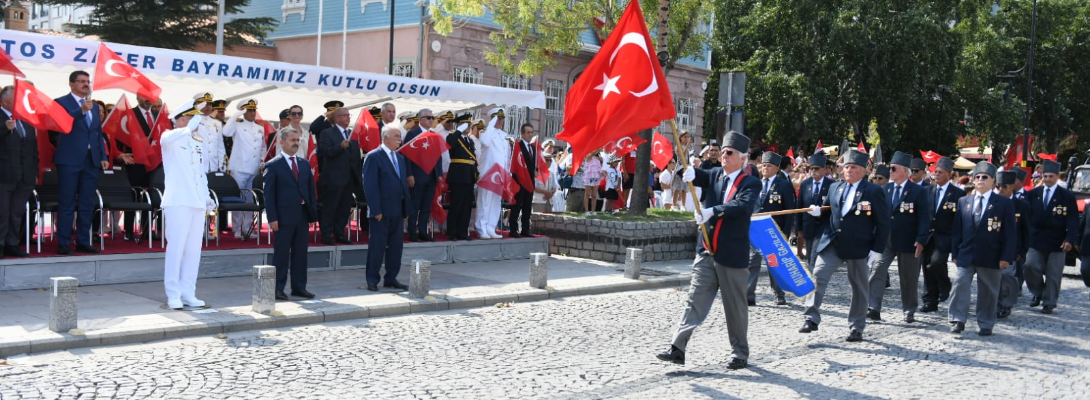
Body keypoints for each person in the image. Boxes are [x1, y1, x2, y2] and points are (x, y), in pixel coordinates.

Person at [656, 131, 759, 370]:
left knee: (735, 308)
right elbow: (697, 175)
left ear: (742, 158)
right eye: (722, 151)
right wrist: (686, 170)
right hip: (707, 250)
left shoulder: (751, 183)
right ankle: (677, 348)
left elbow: (742, 206)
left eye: (729, 152)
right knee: (695, 301)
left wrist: (713, 211)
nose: (724, 155)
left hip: (732, 254)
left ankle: (740, 352)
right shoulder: (715, 175)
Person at [800, 149, 890, 342]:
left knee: (859, 287)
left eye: (853, 167)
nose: (848, 170)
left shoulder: (873, 191)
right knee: (817, 277)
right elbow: (829, 212)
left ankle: (857, 326)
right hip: (833, 241)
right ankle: (811, 317)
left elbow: (883, 222)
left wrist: (877, 249)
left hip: (859, 245)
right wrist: (817, 213)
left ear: (864, 170)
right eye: (846, 166)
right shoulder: (835, 187)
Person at [160, 99, 215, 310]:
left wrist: (206, 196)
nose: (196, 122)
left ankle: (188, 292)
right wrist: (187, 128)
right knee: (176, 249)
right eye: (191, 117)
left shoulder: (198, 142)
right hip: (178, 201)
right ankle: (173, 294)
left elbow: (200, 173)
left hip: (196, 202)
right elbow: (172, 137)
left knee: (194, 250)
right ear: (181, 118)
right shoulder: (170, 137)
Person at [949, 162, 1016, 336]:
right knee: (959, 283)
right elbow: (957, 230)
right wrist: (955, 253)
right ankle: (957, 319)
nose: (980, 180)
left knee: (988, 290)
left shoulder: (1004, 203)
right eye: (977, 177)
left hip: (991, 255)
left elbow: (1010, 233)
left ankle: (986, 322)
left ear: (994, 181)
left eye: (984, 177)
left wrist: (1007, 256)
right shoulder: (964, 201)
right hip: (966, 253)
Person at [867, 151, 932, 323]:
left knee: (908, 278)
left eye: (894, 168)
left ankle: (909, 310)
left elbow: (925, 218)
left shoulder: (918, 191)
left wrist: (921, 239)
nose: (890, 171)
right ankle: (873, 307)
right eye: (890, 168)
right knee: (877, 270)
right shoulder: (885, 189)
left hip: (909, 241)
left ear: (905, 171)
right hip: (885, 240)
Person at [50, 71, 108, 255]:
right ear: (71, 84)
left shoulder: (93, 106)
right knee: (67, 203)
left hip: (91, 161)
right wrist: (80, 111)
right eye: (81, 81)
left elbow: (97, 133)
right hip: (70, 160)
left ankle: (84, 240)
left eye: (87, 81)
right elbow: (61, 125)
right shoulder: (60, 102)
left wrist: (103, 156)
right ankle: (64, 243)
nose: (86, 84)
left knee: (86, 203)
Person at [265, 128, 318, 301]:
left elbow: (310, 191)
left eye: (298, 140)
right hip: (282, 218)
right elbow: (269, 194)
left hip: (301, 216)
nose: (296, 143)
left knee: (300, 253)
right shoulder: (273, 165)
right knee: (281, 254)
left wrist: (311, 214)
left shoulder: (304, 163)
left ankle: (299, 287)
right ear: (282, 142)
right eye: (292, 140)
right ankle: (277, 288)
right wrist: (272, 217)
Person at [1023, 160, 1078, 314]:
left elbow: (1073, 220)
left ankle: (1049, 302)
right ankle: (1037, 292)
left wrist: (1069, 239)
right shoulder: (1034, 194)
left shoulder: (1066, 196)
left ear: (1056, 177)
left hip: (1057, 240)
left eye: (1051, 176)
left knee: (1054, 273)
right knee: (1030, 266)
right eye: (1045, 176)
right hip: (1036, 239)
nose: (1047, 179)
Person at [362, 124, 412, 292]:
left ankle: (391, 278)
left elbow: (402, 185)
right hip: (381, 212)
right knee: (377, 246)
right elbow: (370, 186)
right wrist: (376, 210)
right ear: (385, 138)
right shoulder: (373, 156)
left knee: (396, 248)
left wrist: (406, 209)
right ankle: (372, 279)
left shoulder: (400, 158)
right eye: (396, 135)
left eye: (399, 135)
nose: (400, 138)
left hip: (397, 210)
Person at [747, 151, 795, 306]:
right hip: (756, 230)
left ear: (777, 169)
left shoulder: (784, 185)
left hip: (774, 231)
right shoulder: (755, 183)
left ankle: (779, 294)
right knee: (752, 263)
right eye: (764, 165)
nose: (765, 168)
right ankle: (749, 294)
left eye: (769, 166)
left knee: (774, 264)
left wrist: (786, 233)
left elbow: (789, 212)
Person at [919, 157, 966, 312]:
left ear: (949, 174)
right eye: (935, 172)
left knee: (936, 262)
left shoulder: (958, 193)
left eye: (940, 172)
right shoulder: (927, 190)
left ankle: (945, 284)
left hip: (945, 236)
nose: (936, 174)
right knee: (926, 267)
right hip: (928, 235)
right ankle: (930, 300)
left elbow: (960, 218)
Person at [222, 98, 267, 240]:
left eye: (254, 110)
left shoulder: (260, 128)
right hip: (239, 167)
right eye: (249, 110)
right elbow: (226, 132)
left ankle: (247, 228)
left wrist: (262, 160)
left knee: (250, 200)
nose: (253, 113)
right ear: (244, 111)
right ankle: (236, 228)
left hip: (253, 168)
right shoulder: (237, 125)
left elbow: (263, 147)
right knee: (238, 199)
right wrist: (236, 114)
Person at [0, 85, 37, 258]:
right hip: (4, 175)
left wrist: (34, 172)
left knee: (16, 213)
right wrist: (4, 130)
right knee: (2, 212)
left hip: (25, 176)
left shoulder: (26, 121)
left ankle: (12, 243)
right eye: (16, 99)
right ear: (4, 101)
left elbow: (33, 151)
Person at [317, 107, 357, 245]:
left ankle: (339, 233)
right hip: (333, 177)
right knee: (330, 207)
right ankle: (326, 234)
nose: (348, 117)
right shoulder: (327, 133)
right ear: (337, 117)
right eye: (345, 115)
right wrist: (340, 146)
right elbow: (326, 152)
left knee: (344, 208)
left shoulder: (351, 133)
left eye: (349, 115)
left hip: (348, 177)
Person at [995, 170, 1030, 318]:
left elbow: (1026, 230)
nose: (1001, 190)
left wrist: (1022, 252)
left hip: (1012, 249)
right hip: (993, 247)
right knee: (995, 278)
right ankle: (994, 304)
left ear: (1011, 187)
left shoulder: (1021, 205)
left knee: (1008, 277)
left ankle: (1005, 305)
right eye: (998, 186)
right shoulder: (992, 203)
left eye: (1004, 187)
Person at [403, 109, 441, 242]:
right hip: (417, 175)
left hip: (431, 176)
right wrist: (409, 174)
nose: (431, 120)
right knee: (415, 204)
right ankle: (412, 231)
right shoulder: (412, 134)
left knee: (426, 206)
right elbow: (406, 156)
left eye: (432, 117)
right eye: (428, 117)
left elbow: (438, 156)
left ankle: (423, 231)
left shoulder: (434, 135)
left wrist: (439, 174)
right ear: (420, 119)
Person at [795, 153, 833, 270]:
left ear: (824, 169)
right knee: (810, 255)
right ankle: (813, 281)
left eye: (817, 168)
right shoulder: (805, 184)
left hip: (824, 227)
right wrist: (799, 228)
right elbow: (800, 206)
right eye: (811, 168)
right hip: (808, 226)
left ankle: (815, 283)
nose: (813, 171)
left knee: (816, 258)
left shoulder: (832, 185)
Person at [474, 109, 508, 239]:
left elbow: (506, 155)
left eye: (501, 118)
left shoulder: (503, 135)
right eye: (497, 118)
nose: (500, 121)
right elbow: (485, 142)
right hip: (488, 172)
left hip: (499, 173)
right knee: (484, 201)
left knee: (495, 201)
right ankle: (481, 228)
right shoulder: (485, 133)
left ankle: (491, 227)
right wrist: (491, 125)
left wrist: (506, 172)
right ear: (492, 119)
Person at [446, 116, 477, 240]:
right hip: (458, 177)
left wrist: (475, 176)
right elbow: (450, 144)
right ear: (459, 125)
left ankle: (463, 232)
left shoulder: (470, 141)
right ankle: (452, 232)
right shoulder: (453, 137)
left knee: (466, 207)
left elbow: (472, 159)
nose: (468, 127)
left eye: (469, 125)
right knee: (456, 205)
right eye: (466, 124)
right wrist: (458, 130)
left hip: (469, 177)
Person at [508, 123, 538, 236]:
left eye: (532, 132)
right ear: (522, 133)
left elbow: (534, 165)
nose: (530, 135)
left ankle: (525, 229)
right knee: (516, 206)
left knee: (527, 207)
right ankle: (513, 229)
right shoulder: (517, 146)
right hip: (519, 182)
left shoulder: (533, 148)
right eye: (528, 132)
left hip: (529, 182)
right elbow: (516, 164)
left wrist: (536, 171)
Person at [193, 92, 225, 173]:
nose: (208, 106)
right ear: (197, 105)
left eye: (210, 104)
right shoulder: (192, 120)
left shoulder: (217, 123)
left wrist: (222, 164)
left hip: (213, 166)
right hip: (197, 165)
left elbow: (220, 146)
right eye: (205, 104)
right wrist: (196, 109)